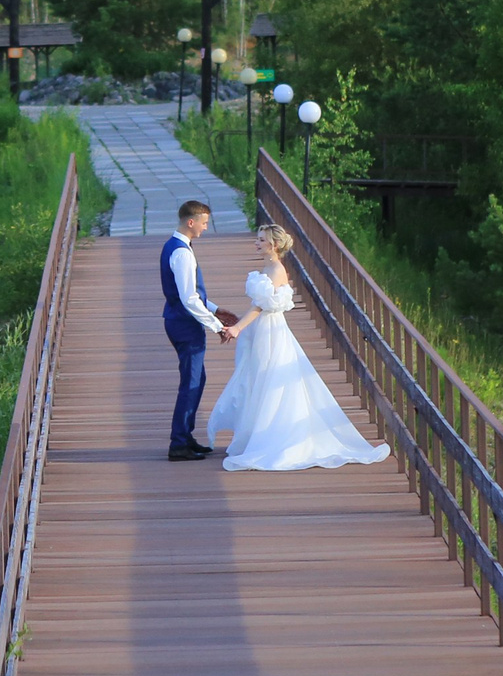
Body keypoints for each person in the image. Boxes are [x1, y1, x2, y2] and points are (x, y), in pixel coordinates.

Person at [202, 225, 391, 472]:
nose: (256, 243)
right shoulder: (267, 267)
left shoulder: (277, 270)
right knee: (257, 378)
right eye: (257, 239)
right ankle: (257, 434)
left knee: (271, 378)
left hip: (270, 330)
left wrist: (237, 327)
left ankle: (276, 437)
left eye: (261, 240)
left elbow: (260, 305)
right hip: (261, 330)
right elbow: (258, 304)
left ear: (274, 245)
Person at [160, 200, 230, 461]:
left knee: (197, 380)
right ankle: (178, 444)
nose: (205, 228)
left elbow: (191, 294)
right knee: (190, 383)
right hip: (184, 324)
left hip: (180, 321)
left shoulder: (176, 246)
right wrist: (217, 326)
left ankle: (186, 437)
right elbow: (189, 298)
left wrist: (216, 309)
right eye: (204, 223)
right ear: (191, 222)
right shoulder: (181, 253)